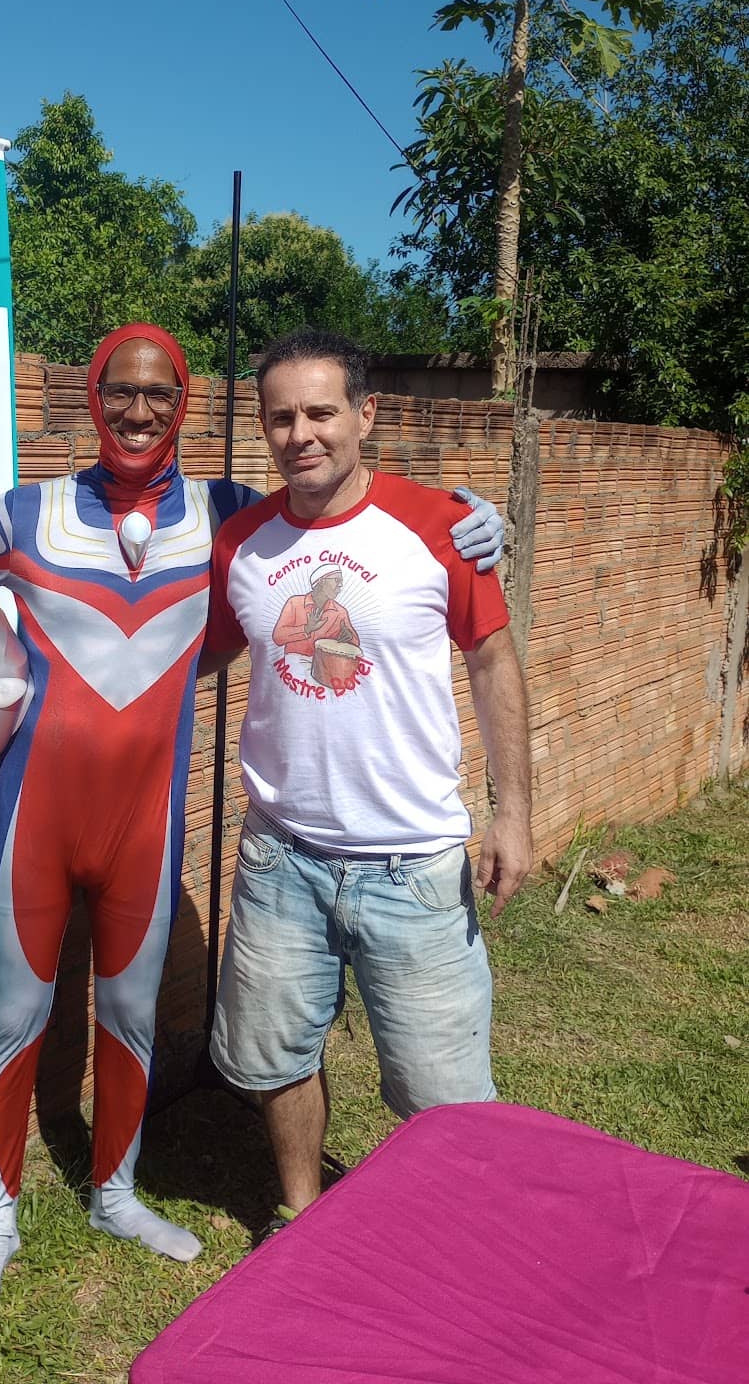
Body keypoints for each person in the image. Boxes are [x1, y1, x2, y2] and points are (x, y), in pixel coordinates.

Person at [0, 322, 506, 1315]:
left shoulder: (229, 518)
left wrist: (475, 523)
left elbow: (344, 514)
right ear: (93, 397)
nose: (137, 411)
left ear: (183, 404)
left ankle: (115, 1193)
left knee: (129, 1012)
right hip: (28, 821)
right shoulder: (22, 511)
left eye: (158, 394)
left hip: (143, 827)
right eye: (118, 392)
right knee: (12, 1018)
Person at [201, 328, 533, 1227]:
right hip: (281, 861)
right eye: (280, 417)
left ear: (363, 414)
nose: (300, 433)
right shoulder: (240, 544)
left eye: (320, 411)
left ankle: (447, 1241)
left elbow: (495, 665)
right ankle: (304, 1216)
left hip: (413, 867)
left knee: (443, 1095)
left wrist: (515, 819)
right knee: (277, 1061)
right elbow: (195, 653)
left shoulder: (440, 527)